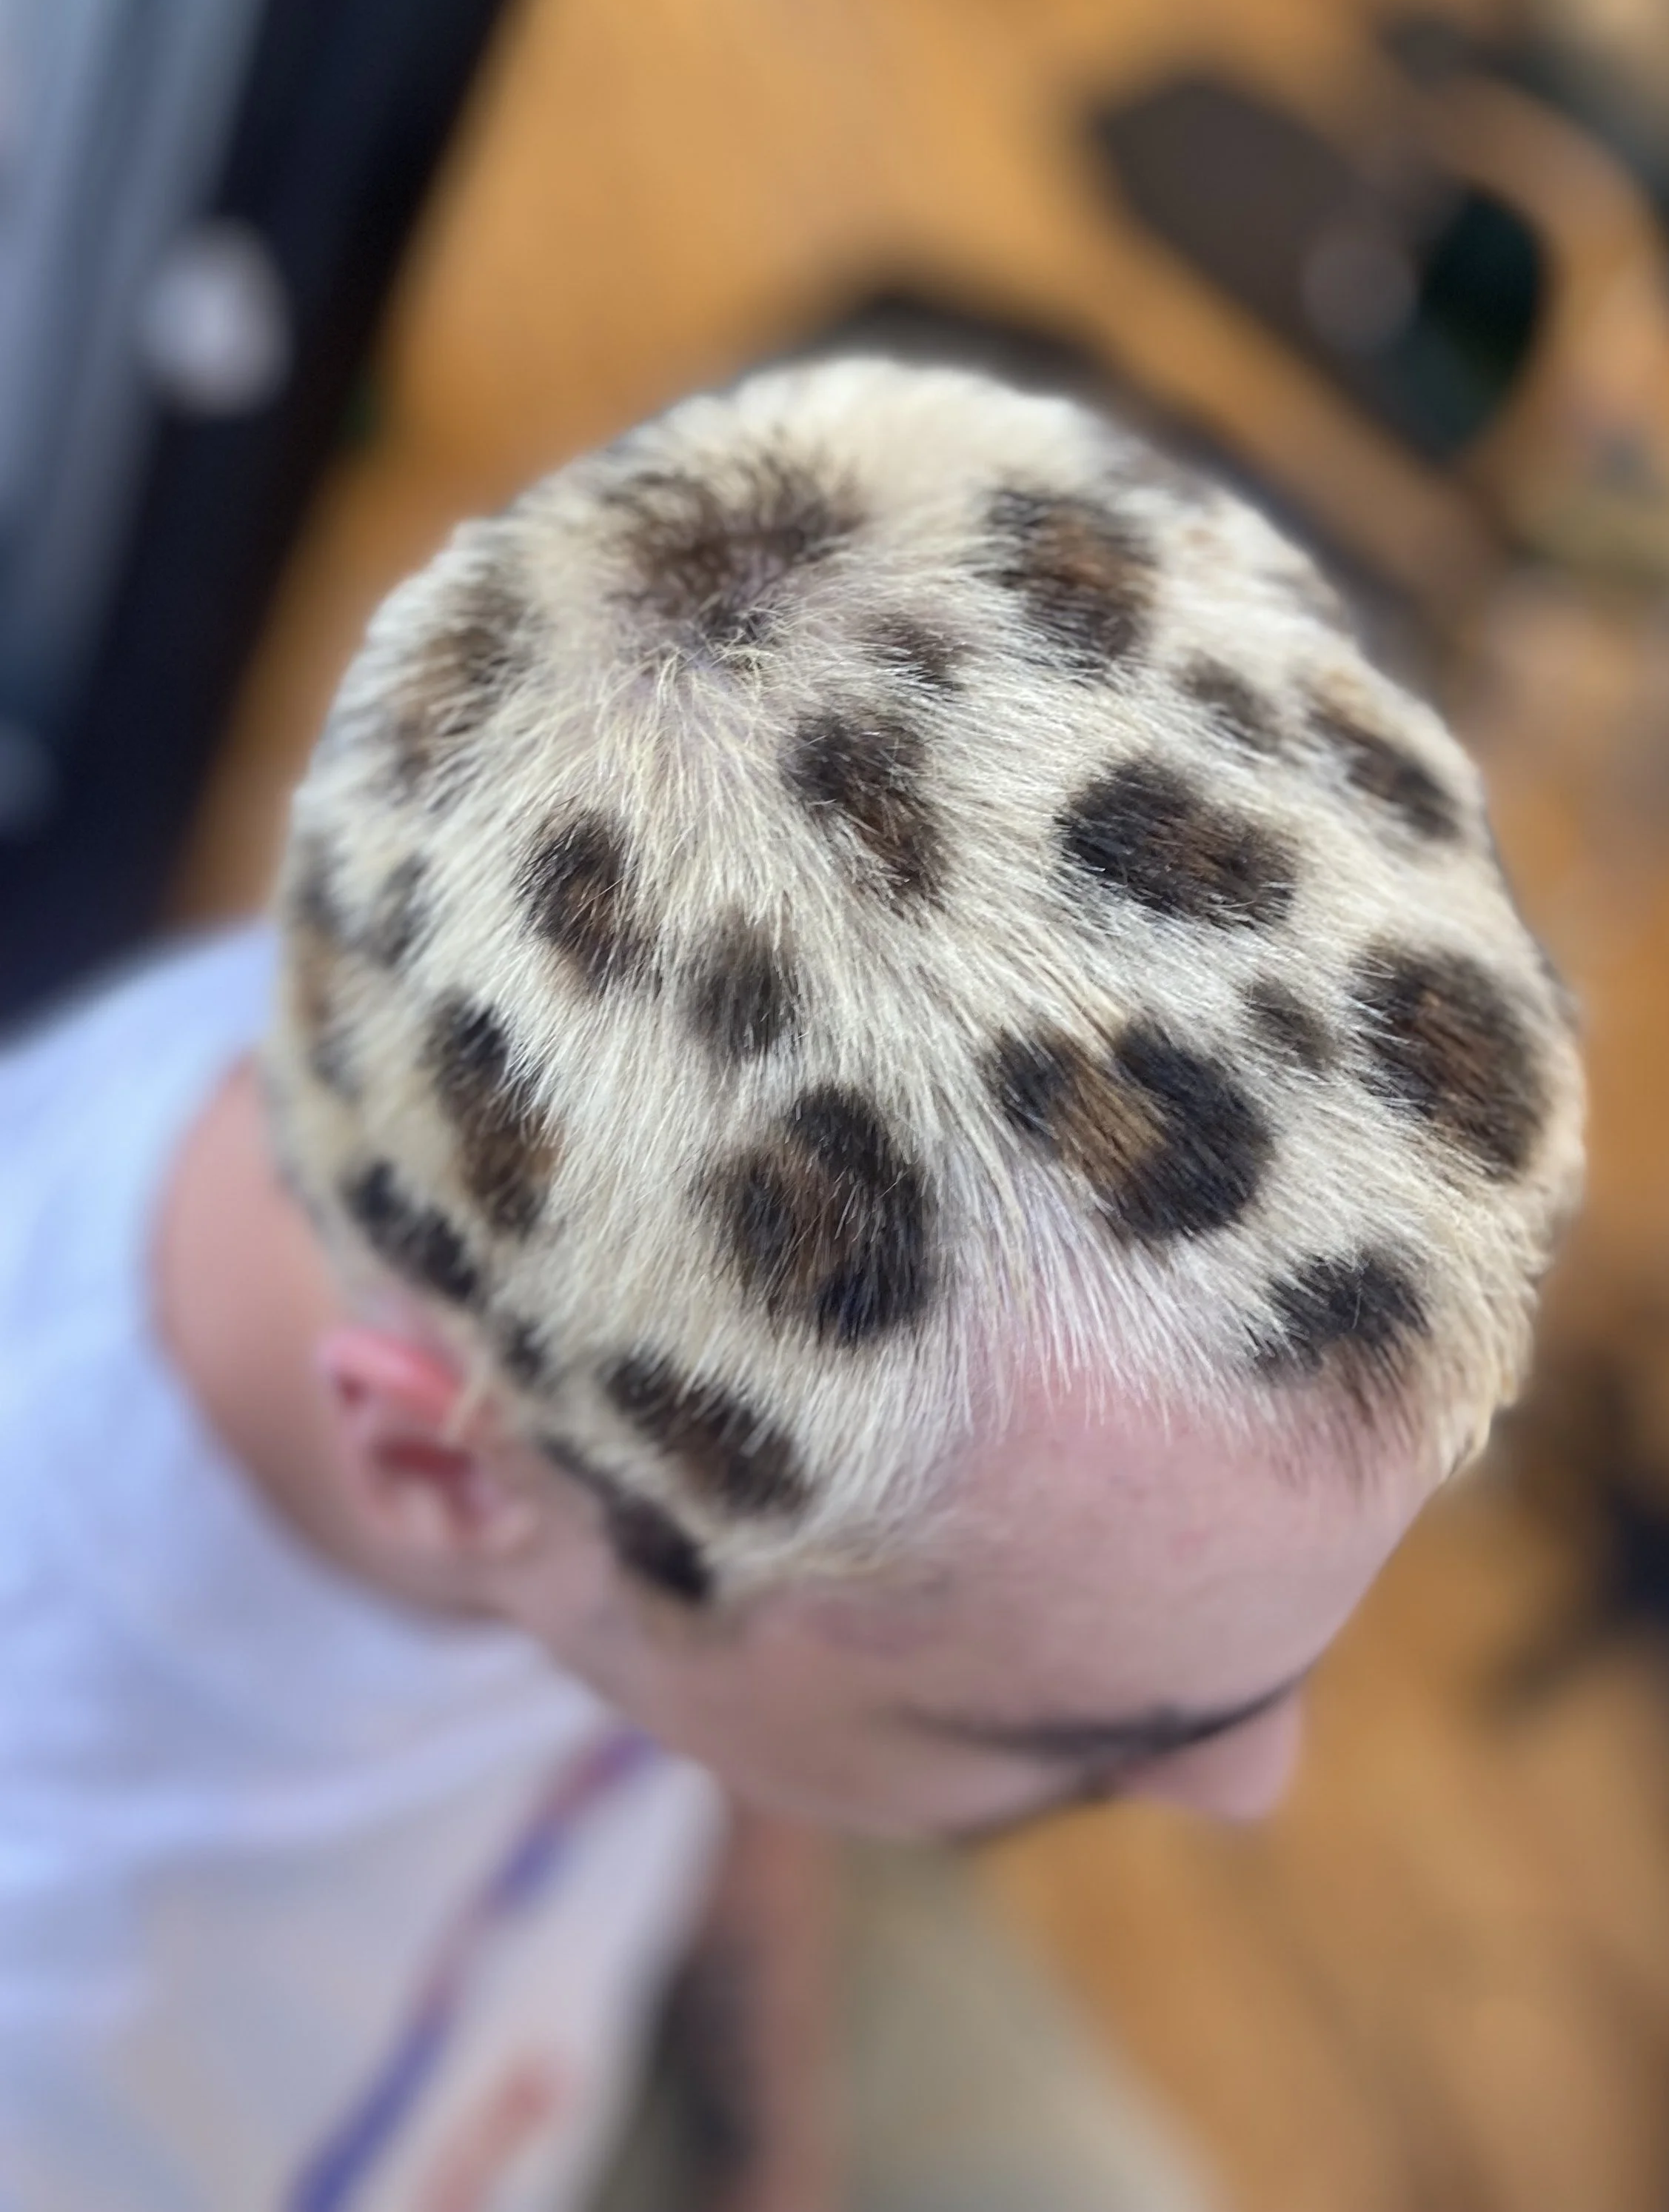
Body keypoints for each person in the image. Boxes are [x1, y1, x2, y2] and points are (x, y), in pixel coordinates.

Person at [0, 358, 1584, 2212]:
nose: (1258, 1786)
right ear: (447, 1476)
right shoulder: (67, 1968)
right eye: (1077, 1745)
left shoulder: (477, 1150)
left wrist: (780, 2152)